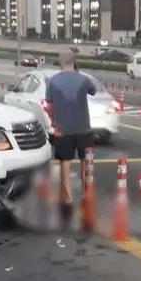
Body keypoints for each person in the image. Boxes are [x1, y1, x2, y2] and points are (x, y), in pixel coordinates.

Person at [44, 50, 96, 227]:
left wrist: (54, 122)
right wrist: (79, 72)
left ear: (60, 63)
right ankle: (85, 194)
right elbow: (93, 91)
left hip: (63, 130)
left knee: (65, 162)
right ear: (75, 62)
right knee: (85, 162)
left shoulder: (53, 81)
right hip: (84, 128)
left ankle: (68, 198)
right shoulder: (83, 78)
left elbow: (49, 106)